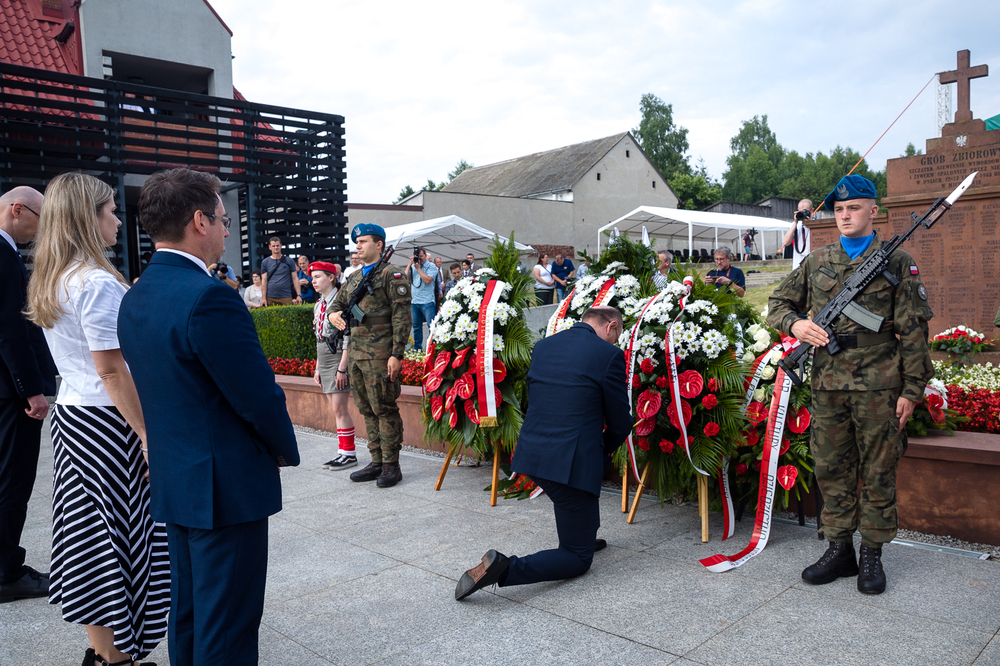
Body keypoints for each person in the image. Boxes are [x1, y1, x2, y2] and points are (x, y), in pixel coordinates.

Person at [118, 168, 300, 664]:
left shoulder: (137, 294)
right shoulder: (209, 296)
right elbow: (256, 395)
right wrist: (281, 448)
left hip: (178, 475)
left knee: (191, 614)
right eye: (222, 219)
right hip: (224, 482)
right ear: (200, 221)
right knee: (227, 625)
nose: (226, 229)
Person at [25, 172, 169, 664]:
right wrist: (146, 433)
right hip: (109, 421)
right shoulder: (95, 281)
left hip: (74, 416)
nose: (118, 220)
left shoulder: (55, 276)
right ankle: (117, 656)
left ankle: (105, 652)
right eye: (110, 210)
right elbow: (111, 368)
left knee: (91, 537)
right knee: (121, 538)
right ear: (87, 217)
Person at [768, 174, 933, 596]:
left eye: (854, 208)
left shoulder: (897, 261)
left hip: (880, 384)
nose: (845, 215)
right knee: (831, 466)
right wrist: (796, 325)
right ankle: (839, 548)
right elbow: (778, 304)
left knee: (879, 469)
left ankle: (872, 553)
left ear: (873, 211)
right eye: (839, 209)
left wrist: (912, 390)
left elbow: (914, 331)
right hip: (829, 383)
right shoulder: (817, 261)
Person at [455, 306, 631, 600]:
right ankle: (505, 568)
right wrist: (603, 451)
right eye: (617, 335)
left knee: (573, 501)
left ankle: (582, 536)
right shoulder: (609, 355)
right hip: (571, 460)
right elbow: (620, 422)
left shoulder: (544, 346)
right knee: (577, 558)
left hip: (533, 451)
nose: (615, 341)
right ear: (611, 326)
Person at [0, 186, 56, 605]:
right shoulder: (3, 253)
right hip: (9, 393)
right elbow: (10, 329)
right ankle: (6, 573)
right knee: (12, 481)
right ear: (17, 210)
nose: (41, 229)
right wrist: (32, 389)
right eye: (40, 218)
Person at [328, 223, 411, 488]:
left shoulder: (391, 274)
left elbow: (402, 317)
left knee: (383, 407)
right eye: (357, 242)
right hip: (356, 353)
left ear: (379, 245)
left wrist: (397, 353)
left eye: (363, 241)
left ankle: (391, 465)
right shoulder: (353, 278)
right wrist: (333, 315)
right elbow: (336, 304)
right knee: (366, 408)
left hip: (381, 353)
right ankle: (376, 461)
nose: (358, 245)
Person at [310, 261, 357, 471]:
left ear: (331, 277)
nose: (314, 281)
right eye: (312, 278)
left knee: (340, 408)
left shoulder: (341, 302)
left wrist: (342, 368)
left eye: (318, 277)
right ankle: (343, 452)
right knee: (335, 409)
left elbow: (348, 336)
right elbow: (318, 337)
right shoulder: (318, 304)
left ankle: (349, 453)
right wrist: (318, 367)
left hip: (338, 355)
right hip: (325, 357)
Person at [407, 246, 438, 352]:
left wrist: (418, 269)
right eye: (417, 256)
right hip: (415, 301)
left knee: (431, 326)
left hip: (427, 301)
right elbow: (405, 279)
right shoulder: (413, 266)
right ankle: (417, 349)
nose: (419, 258)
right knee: (416, 327)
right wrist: (409, 264)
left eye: (421, 256)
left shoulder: (431, 266)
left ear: (425, 255)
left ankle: (432, 348)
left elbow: (428, 280)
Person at [260, 237, 302, 306]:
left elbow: (295, 278)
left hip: (286, 296)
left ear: (281, 246)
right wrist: (263, 298)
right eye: (273, 246)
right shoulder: (265, 262)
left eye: (277, 245)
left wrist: (299, 295)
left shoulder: (289, 260)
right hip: (270, 296)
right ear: (269, 247)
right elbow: (264, 281)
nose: (276, 247)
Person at [783, 199, 813, 270]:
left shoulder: (817, 224)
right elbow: (785, 243)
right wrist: (795, 223)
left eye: (805, 211)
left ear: (812, 210)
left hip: (812, 264)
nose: (802, 214)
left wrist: (810, 223)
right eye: (800, 211)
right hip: (798, 265)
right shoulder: (795, 225)